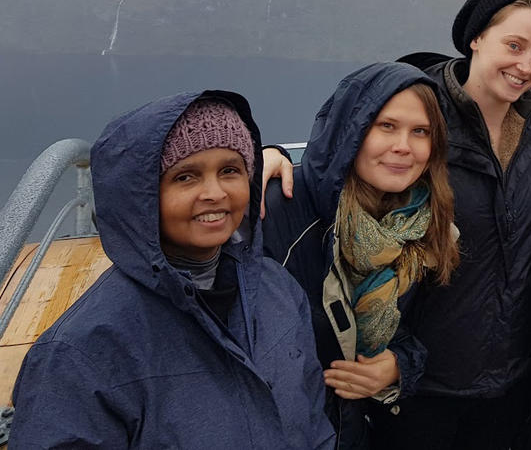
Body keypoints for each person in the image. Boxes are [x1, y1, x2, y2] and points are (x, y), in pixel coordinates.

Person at [264, 0, 531, 449]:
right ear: (476, 39)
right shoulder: (419, 123)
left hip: (508, 377)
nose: (526, 65)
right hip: (421, 383)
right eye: (514, 45)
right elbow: (338, 164)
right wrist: (263, 155)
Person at [11, 92, 334, 449]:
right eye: (185, 177)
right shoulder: (82, 351)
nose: (214, 193)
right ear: (141, 196)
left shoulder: (278, 291)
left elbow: (312, 422)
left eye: (230, 170)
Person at [260, 62, 460, 448]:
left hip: (355, 430)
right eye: (385, 126)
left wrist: (401, 365)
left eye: (420, 131)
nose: (403, 145)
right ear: (350, 130)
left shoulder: (422, 226)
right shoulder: (280, 206)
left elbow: (418, 330)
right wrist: (249, 159)